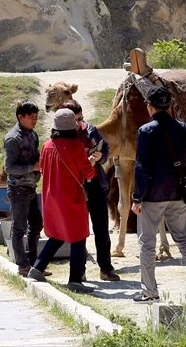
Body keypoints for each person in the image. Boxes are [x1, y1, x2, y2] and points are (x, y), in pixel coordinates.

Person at [131, 86, 186, 304]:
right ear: (169, 106)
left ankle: (149, 291)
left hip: (152, 196)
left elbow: (142, 167)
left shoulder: (145, 131)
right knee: (183, 239)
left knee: (147, 243)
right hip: (178, 193)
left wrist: (137, 197)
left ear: (149, 106)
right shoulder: (183, 129)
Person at [27, 109, 96, 291]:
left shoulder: (47, 145)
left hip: (50, 197)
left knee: (58, 234)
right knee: (79, 236)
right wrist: (92, 161)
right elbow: (88, 172)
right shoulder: (76, 147)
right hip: (71, 198)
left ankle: (38, 267)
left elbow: (42, 167)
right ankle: (75, 280)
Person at [62, 98, 120, 282]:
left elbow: (106, 151)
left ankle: (106, 268)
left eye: (81, 118)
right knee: (79, 230)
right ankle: (79, 270)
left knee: (101, 228)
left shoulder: (91, 131)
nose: (80, 123)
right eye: (76, 120)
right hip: (75, 186)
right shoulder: (62, 136)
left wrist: (100, 157)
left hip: (95, 184)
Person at [5, 100, 43, 277]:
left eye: (36, 117)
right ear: (21, 117)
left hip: (31, 186)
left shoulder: (33, 135)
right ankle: (22, 265)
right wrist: (33, 168)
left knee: (36, 225)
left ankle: (33, 262)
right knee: (19, 228)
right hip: (18, 188)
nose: (34, 120)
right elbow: (10, 168)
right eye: (31, 117)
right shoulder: (13, 138)